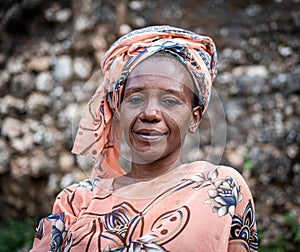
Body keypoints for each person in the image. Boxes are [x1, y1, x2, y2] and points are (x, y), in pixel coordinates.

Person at [31, 25, 258, 251]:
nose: (150, 113)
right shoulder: (77, 199)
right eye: (135, 98)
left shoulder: (219, 186)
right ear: (118, 112)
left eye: (170, 101)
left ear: (194, 118)